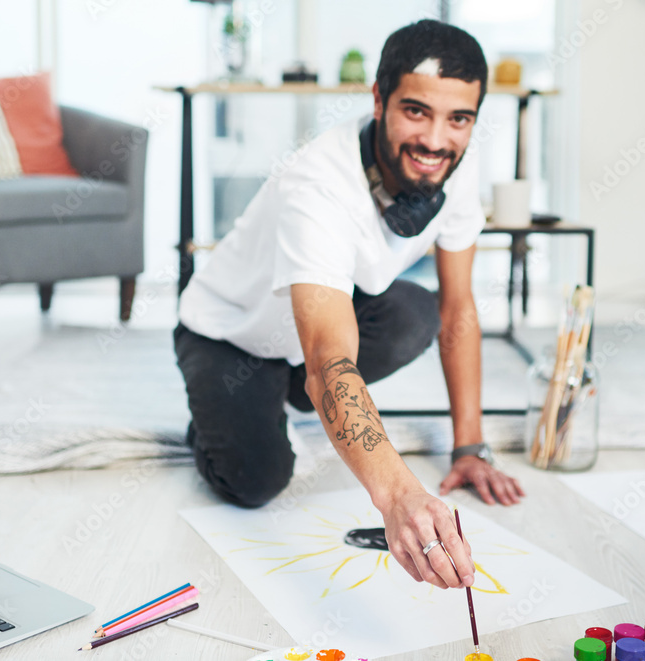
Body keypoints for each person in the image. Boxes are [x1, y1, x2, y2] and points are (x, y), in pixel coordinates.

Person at [174, 19, 525, 591]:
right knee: (256, 480)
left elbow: (458, 310)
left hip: (321, 326)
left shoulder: (454, 166)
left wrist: (469, 446)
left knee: (421, 311)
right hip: (231, 336)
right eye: (416, 111)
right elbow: (330, 360)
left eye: (458, 119)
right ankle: (217, 417)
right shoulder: (316, 184)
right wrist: (400, 495)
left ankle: (295, 396)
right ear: (379, 100)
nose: (436, 141)